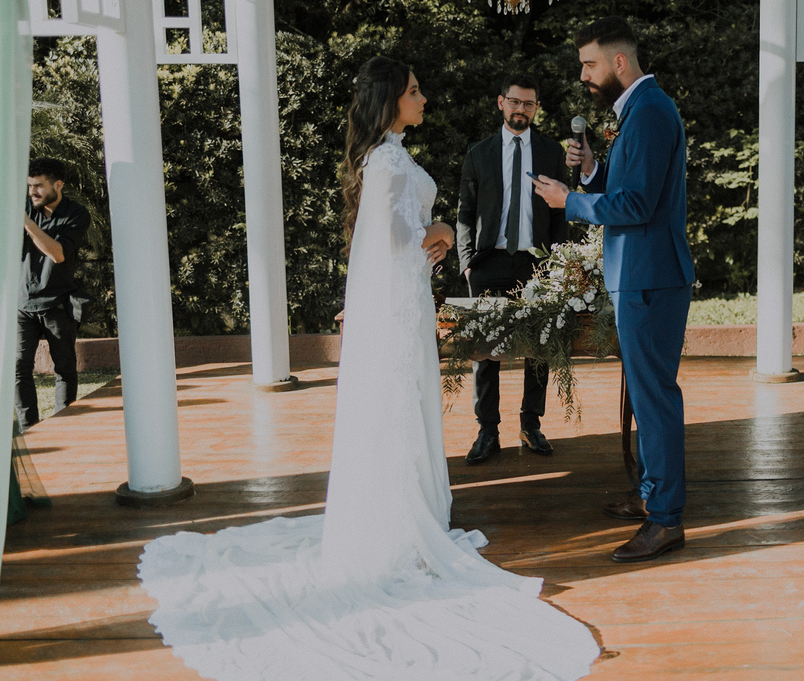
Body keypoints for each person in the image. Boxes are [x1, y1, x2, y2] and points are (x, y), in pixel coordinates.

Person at [137, 57, 599, 679]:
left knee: (406, 403)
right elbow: (388, 247)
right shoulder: (384, 161)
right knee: (397, 406)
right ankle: (396, 525)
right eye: (414, 91)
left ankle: (413, 509)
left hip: (409, 299)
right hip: (399, 304)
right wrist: (440, 230)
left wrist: (432, 239)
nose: (423, 98)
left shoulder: (391, 154)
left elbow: (395, 240)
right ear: (389, 100)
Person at [533, 16, 695, 563]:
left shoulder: (648, 112)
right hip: (641, 274)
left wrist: (569, 202)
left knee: (655, 399)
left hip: (649, 276)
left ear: (618, 62)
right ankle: (651, 493)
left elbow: (639, 205)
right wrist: (592, 170)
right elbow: (631, 186)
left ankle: (666, 519)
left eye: (590, 64)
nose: (584, 75)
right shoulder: (639, 109)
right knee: (647, 396)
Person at [457, 73, 570, 464]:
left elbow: (561, 213)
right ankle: (487, 431)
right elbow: (465, 212)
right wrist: (467, 263)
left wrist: (558, 263)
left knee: (540, 346)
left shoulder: (551, 152)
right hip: (488, 262)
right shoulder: (479, 153)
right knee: (485, 350)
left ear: (536, 108)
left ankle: (530, 424)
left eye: (529, 103)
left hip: (536, 262)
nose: (521, 109)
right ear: (501, 102)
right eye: (515, 101)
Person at [15, 157, 91, 431]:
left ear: (58, 185)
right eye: (29, 186)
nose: (32, 192)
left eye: (38, 186)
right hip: (22, 303)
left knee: (65, 369)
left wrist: (25, 223)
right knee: (17, 368)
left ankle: (63, 427)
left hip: (58, 304)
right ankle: (29, 429)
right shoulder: (24, 207)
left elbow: (58, 254)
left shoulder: (76, 214)